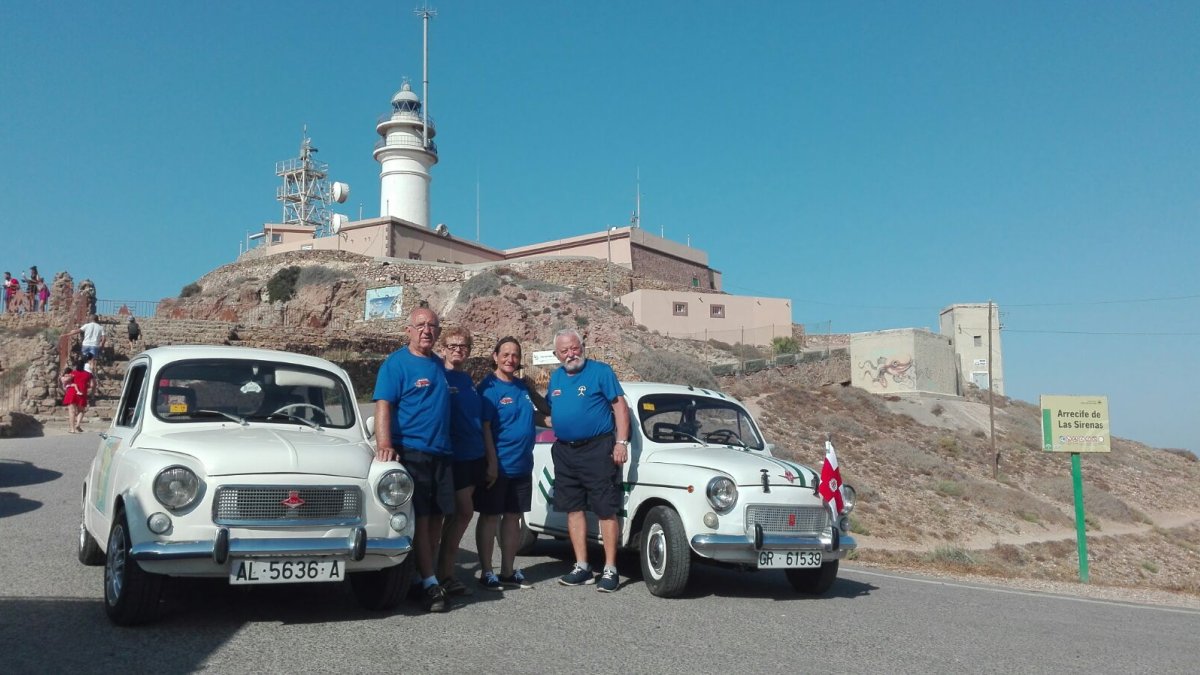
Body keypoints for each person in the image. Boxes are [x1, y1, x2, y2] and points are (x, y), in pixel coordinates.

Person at [372, 307, 454, 613]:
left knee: (436, 518)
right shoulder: (396, 364)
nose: (427, 331)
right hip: (413, 452)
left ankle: (423, 575)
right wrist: (385, 444)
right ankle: (431, 581)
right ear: (409, 330)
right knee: (419, 518)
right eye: (420, 325)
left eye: (432, 326)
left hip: (441, 453)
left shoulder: (438, 365)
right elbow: (384, 405)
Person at [545, 328, 629, 593]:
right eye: (564, 351)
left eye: (574, 348)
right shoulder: (556, 377)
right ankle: (582, 566)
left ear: (582, 347)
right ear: (557, 355)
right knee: (573, 508)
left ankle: (611, 568)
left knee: (605, 508)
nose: (571, 354)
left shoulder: (601, 372)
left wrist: (621, 442)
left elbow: (620, 407)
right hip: (565, 452)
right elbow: (552, 410)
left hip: (597, 449)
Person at [474, 337, 549, 591]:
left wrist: (532, 390)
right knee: (490, 517)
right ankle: (487, 572)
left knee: (513, 518)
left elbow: (543, 412)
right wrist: (492, 463)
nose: (510, 359)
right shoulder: (489, 387)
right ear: (495, 356)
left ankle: (507, 570)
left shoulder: (522, 387)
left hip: (521, 465)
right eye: (505, 354)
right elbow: (484, 427)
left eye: (515, 355)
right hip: (498, 466)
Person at [434, 326, 487, 597]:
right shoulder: (438, 375)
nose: (458, 350)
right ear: (442, 348)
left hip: (473, 455)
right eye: (452, 345)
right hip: (452, 456)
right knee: (460, 513)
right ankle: (442, 574)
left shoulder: (467, 380)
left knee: (458, 515)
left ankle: (441, 571)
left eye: (463, 346)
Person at [62, 362, 93, 434]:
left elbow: (65, 380)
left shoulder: (72, 373)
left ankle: (72, 429)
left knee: (71, 412)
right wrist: (86, 385)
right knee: (81, 410)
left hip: (72, 393)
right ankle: (78, 424)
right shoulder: (89, 374)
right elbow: (91, 385)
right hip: (82, 393)